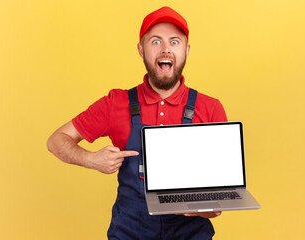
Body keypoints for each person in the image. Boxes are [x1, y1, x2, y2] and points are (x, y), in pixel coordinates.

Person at [47, 6, 228, 240]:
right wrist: (90, 159)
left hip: (190, 233)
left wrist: (204, 207)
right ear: (141, 50)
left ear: (186, 50)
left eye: (175, 42)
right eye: (155, 42)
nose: (166, 50)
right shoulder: (115, 103)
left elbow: (219, 202)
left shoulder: (210, 108)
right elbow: (56, 141)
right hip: (130, 231)